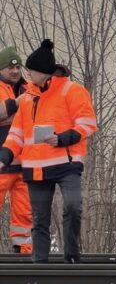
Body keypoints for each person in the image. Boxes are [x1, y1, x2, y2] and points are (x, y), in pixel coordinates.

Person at [0, 40, 97, 263]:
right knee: (39, 220)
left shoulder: (72, 91)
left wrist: (62, 139)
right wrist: (4, 156)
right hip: (35, 168)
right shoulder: (27, 98)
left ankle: (71, 255)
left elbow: (87, 123)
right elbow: (16, 135)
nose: (27, 75)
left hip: (67, 163)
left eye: (31, 71)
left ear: (43, 72)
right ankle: (39, 265)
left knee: (73, 207)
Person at [0, 47, 32, 255]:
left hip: (24, 163)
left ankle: (24, 253)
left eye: (18, 67)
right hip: (2, 162)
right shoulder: (22, 94)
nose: (14, 71)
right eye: (10, 67)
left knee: (24, 214)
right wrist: (16, 105)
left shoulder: (29, 88)